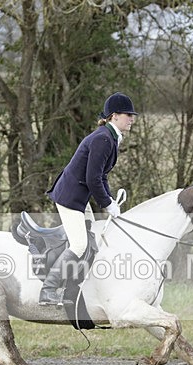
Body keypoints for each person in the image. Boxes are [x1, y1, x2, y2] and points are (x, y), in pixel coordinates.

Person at [40, 92, 138, 306]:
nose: (132, 119)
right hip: (69, 197)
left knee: (91, 243)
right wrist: (107, 204)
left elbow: (101, 175)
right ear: (114, 116)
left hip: (79, 197)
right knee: (79, 245)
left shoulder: (109, 137)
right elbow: (93, 179)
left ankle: (70, 293)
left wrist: (111, 201)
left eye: (132, 115)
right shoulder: (103, 138)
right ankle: (48, 291)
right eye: (127, 114)